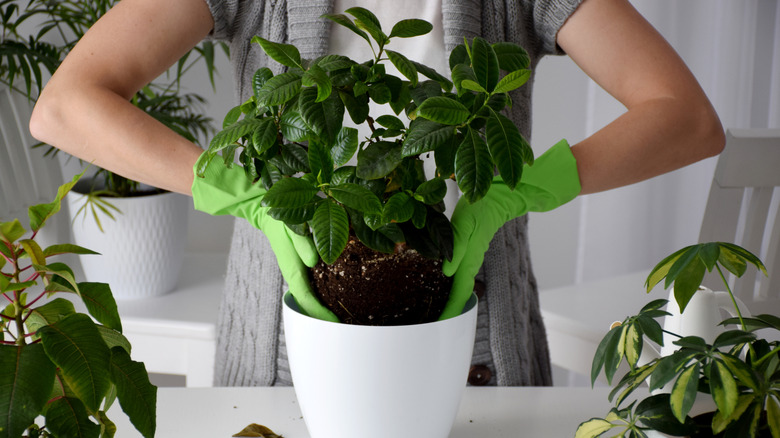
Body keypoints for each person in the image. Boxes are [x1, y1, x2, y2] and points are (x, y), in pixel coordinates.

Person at [29, 0, 725, 387]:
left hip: (484, 367)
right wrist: (239, 193)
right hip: (280, 370)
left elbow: (685, 116)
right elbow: (65, 106)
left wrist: (519, 191)